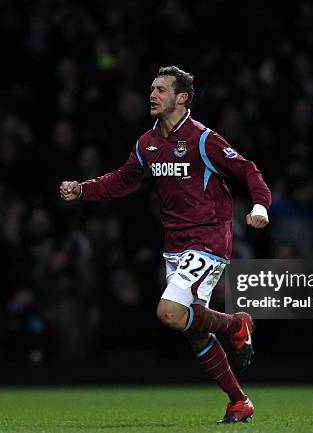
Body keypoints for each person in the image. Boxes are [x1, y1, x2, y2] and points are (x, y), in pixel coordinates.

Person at [60, 66, 271, 424]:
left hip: (208, 238)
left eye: (161, 90)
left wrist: (260, 205)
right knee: (192, 330)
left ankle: (236, 325)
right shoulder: (147, 143)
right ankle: (239, 401)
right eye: (152, 89)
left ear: (182, 97)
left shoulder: (204, 140)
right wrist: (83, 189)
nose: (152, 95)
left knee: (169, 312)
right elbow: (121, 180)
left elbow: (247, 170)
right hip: (175, 245)